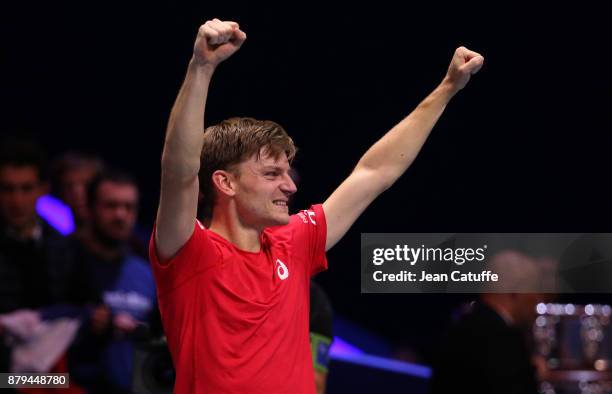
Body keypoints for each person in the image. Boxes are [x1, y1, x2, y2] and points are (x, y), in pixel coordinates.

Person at [150, 18, 483, 393]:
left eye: (287, 172)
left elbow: (373, 172)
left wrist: (447, 89)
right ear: (225, 182)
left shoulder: (294, 242)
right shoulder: (189, 251)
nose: (290, 186)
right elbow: (178, 171)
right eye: (272, 173)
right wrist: (202, 68)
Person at [69, 171, 157, 393]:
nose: (120, 215)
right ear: (89, 209)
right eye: (110, 206)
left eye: (129, 207)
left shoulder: (146, 271)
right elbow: (13, 377)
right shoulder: (61, 262)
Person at [0, 139, 83, 376]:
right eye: (7, 189)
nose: (16, 201)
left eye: (26, 188)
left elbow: (85, 307)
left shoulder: (67, 248)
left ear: (43, 190)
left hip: (55, 374)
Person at [429, 250, 545, 394]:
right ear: (515, 292)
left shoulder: (460, 325)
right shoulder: (502, 338)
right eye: (535, 292)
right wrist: (535, 375)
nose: (538, 302)